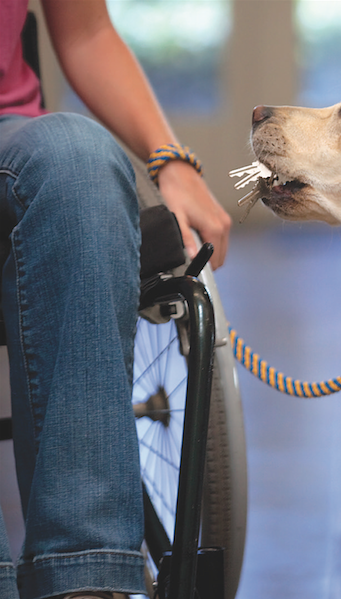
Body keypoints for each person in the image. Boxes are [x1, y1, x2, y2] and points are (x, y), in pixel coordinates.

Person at [0, 1, 232, 598]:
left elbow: (86, 31)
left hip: (11, 139)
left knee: (79, 156)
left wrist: (173, 163)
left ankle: (86, 575)